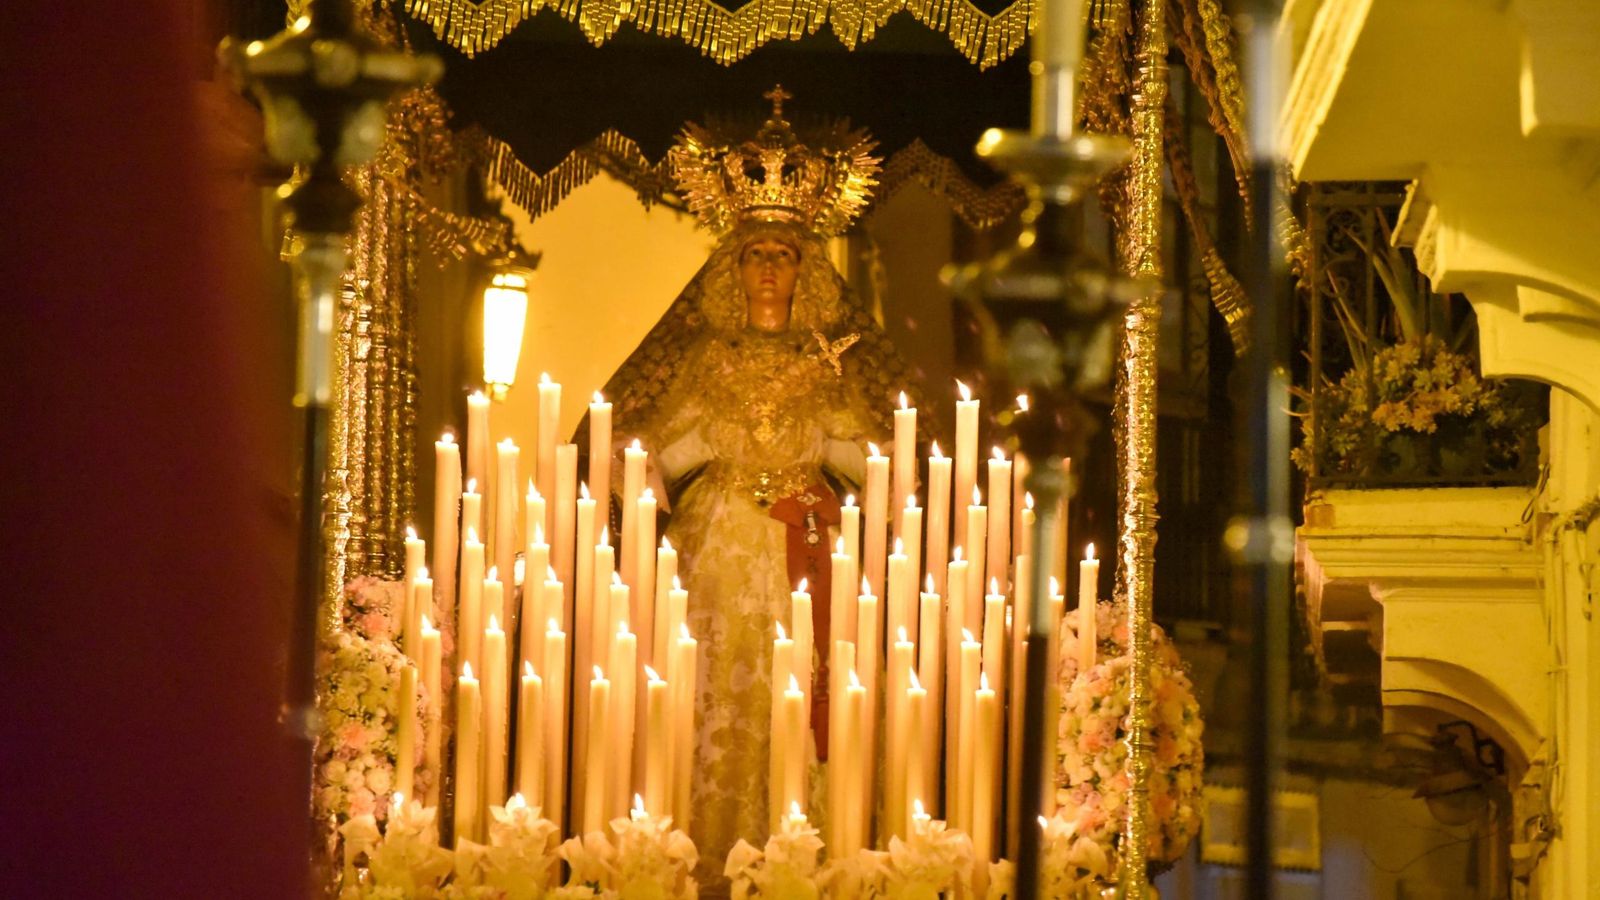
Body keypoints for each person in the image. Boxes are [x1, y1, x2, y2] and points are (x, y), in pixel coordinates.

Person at [590, 88, 916, 880]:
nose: (770, 269)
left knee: (799, 698)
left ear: (807, 272)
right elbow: (659, 451)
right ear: (734, 271)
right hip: (717, 553)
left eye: (784, 256)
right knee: (716, 700)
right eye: (757, 256)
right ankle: (701, 859)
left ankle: (801, 860)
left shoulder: (833, 359)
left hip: (807, 546)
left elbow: (874, 454)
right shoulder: (706, 358)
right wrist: (630, 469)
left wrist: (881, 477)